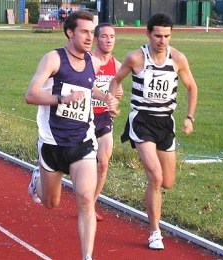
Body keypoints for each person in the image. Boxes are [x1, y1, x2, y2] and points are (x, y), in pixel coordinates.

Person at [25, 11, 119, 260]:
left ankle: (87, 257)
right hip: (52, 143)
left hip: (82, 142)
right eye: (85, 32)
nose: (91, 37)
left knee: (87, 198)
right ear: (70, 32)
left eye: (92, 32)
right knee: (50, 203)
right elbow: (31, 95)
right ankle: (37, 178)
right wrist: (61, 99)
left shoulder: (93, 62)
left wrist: (106, 97)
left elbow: (89, 86)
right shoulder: (53, 59)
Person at [109, 12, 198, 250]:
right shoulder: (136, 58)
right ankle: (155, 232)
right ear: (148, 33)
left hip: (165, 123)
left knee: (167, 182)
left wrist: (189, 117)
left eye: (167, 36)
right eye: (158, 35)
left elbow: (192, 87)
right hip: (141, 121)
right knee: (155, 177)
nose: (162, 40)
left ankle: (153, 198)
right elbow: (116, 80)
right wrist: (113, 100)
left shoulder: (178, 59)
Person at [91, 23, 123, 221]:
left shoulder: (118, 65)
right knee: (70, 162)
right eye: (104, 36)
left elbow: (118, 92)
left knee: (103, 164)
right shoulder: (87, 61)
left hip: (104, 118)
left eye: (112, 36)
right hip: (83, 117)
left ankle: (90, 205)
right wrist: (106, 95)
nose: (109, 40)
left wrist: (115, 101)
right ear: (96, 40)